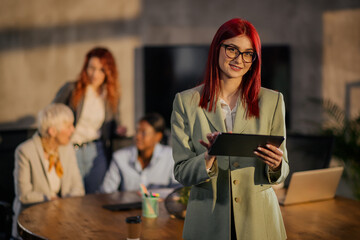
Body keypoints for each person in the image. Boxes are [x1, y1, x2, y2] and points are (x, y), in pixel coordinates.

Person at [171, 18, 289, 240]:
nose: (239, 59)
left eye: (247, 53)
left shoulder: (272, 101)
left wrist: (276, 165)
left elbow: (283, 170)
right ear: (217, 48)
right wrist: (206, 158)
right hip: (208, 221)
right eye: (232, 49)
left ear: (254, 59)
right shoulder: (186, 102)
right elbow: (181, 172)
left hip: (259, 222)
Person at [53, 47, 126, 193]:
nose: (95, 74)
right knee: (72, 195)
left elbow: (114, 124)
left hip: (96, 150)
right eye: (91, 68)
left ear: (108, 72)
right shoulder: (71, 89)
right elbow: (52, 114)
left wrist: (119, 130)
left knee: (97, 196)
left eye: (101, 70)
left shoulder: (111, 96)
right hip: (71, 149)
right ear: (85, 68)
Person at [12, 103, 85, 238]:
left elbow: (78, 188)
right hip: (31, 224)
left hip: (64, 222)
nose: (73, 130)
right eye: (68, 126)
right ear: (52, 131)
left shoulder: (67, 148)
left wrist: (63, 206)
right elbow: (24, 195)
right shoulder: (25, 151)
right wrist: (53, 200)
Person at [100, 113, 179, 193]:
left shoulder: (171, 157)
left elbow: (178, 190)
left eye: (143, 133)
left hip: (160, 205)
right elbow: (106, 191)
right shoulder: (120, 157)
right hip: (127, 205)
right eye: (137, 131)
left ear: (158, 136)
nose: (137, 136)